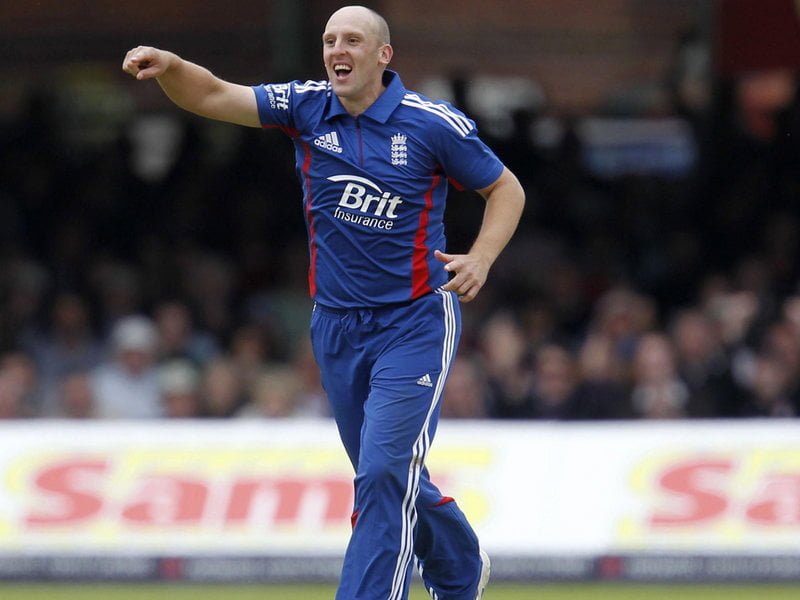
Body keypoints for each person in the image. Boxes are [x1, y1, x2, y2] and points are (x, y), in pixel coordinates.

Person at [123, 6, 524, 599]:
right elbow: (211, 96)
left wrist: (482, 257)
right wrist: (174, 66)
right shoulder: (306, 106)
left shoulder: (432, 123)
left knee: (384, 475)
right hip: (335, 327)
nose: (338, 49)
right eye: (329, 39)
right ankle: (460, 565)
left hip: (414, 320)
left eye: (353, 40)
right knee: (384, 473)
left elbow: (504, 188)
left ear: (383, 55)